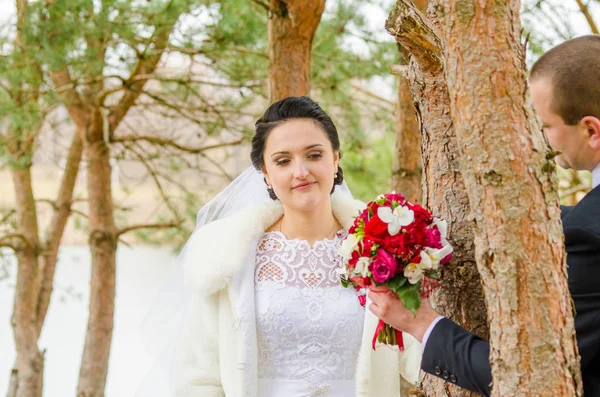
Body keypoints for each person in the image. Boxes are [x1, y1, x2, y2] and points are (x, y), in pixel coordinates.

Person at [367, 35, 600, 397]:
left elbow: (531, 378)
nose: (542, 141)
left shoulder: (586, 236)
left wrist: (421, 323)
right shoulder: (583, 222)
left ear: (590, 130)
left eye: (546, 126)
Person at [171, 96, 423, 397]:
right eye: (283, 161)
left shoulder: (383, 249)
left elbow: (419, 356)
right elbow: (198, 379)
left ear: (335, 159)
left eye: (314, 155)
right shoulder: (228, 256)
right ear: (266, 174)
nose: (300, 171)